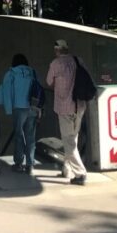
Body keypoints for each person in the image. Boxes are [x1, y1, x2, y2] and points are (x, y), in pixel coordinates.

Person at [46, 38, 87, 185]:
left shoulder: (56, 64)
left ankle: (80, 173)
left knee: (68, 142)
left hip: (64, 107)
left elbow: (49, 82)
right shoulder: (78, 60)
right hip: (80, 105)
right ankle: (67, 169)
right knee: (73, 138)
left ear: (57, 50)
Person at [0, 53, 39, 173]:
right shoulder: (32, 73)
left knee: (19, 136)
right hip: (32, 108)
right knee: (30, 137)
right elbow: (37, 91)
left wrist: (8, 109)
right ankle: (30, 165)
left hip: (18, 108)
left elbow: (7, 92)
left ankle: (18, 163)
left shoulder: (11, 73)